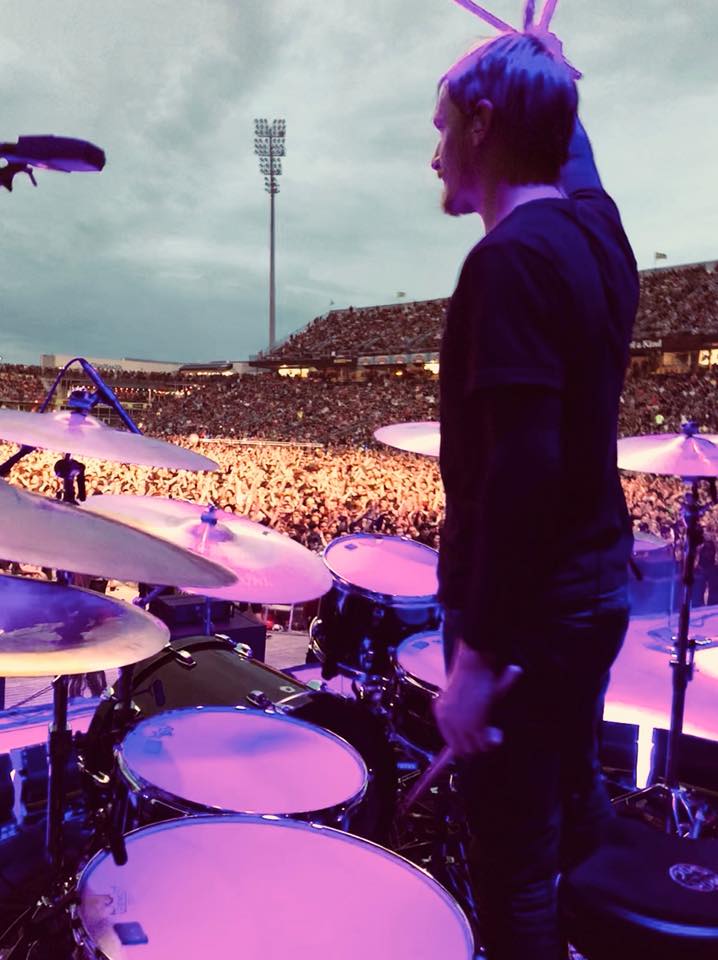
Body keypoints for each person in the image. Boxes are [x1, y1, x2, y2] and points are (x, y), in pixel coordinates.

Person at [431, 28, 639, 960]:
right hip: (594, 594)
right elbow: (577, 168)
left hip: (533, 614)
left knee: (513, 867)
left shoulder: (507, 261)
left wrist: (476, 661)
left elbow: (522, 471)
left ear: (483, 126)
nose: (433, 153)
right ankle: (612, 931)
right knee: (573, 791)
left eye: (443, 129)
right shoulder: (598, 237)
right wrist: (550, 79)